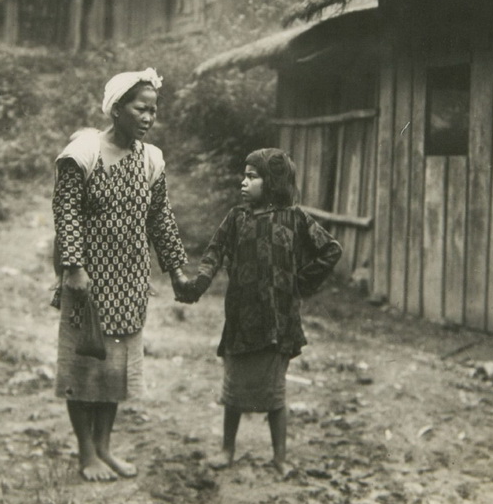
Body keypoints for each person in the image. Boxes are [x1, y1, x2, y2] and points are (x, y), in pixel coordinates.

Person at [52, 68, 189, 482]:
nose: (148, 117)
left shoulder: (150, 159)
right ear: (116, 108)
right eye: (140, 108)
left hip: (129, 279)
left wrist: (177, 269)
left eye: (153, 110)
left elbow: (160, 217)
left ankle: (106, 447)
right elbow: (67, 212)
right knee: (84, 364)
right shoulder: (84, 153)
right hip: (88, 279)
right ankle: (86, 452)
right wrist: (73, 267)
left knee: (115, 370)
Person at [178, 147, 342, 476]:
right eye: (244, 176)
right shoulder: (236, 218)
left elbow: (330, 249)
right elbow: (214, 252)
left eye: (252, 177)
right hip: (240, 317)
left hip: (279, 320)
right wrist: (197, 284)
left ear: (273, 182)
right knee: (234, 388)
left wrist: (300, 283)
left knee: (275, 392)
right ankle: (227, 449)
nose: (243, 182)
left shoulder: (295, 219)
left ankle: (280, 457)